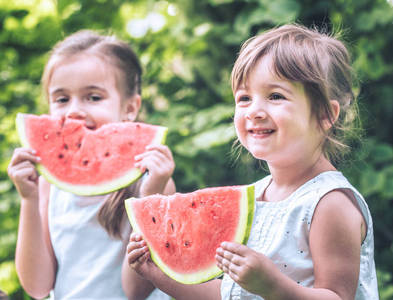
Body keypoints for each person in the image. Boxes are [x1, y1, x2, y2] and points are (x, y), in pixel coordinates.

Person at [126, 23, 379, 300]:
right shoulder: (255, 196)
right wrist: (158, 273)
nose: (254, 111)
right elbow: (227, 294)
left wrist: (273, 286)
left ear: (325, 115)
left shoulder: (329, 203)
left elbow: (337, 296)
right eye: (244, 98)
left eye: (275, 96)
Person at [7, 30, 176, 300]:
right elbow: (37, 287)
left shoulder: (152, 180)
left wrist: (151, 195)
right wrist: (29, 198)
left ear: (130, 108)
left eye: (93, 97)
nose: (74, 110)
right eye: (62, 99)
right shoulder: (50, 185)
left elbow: (136, 290)